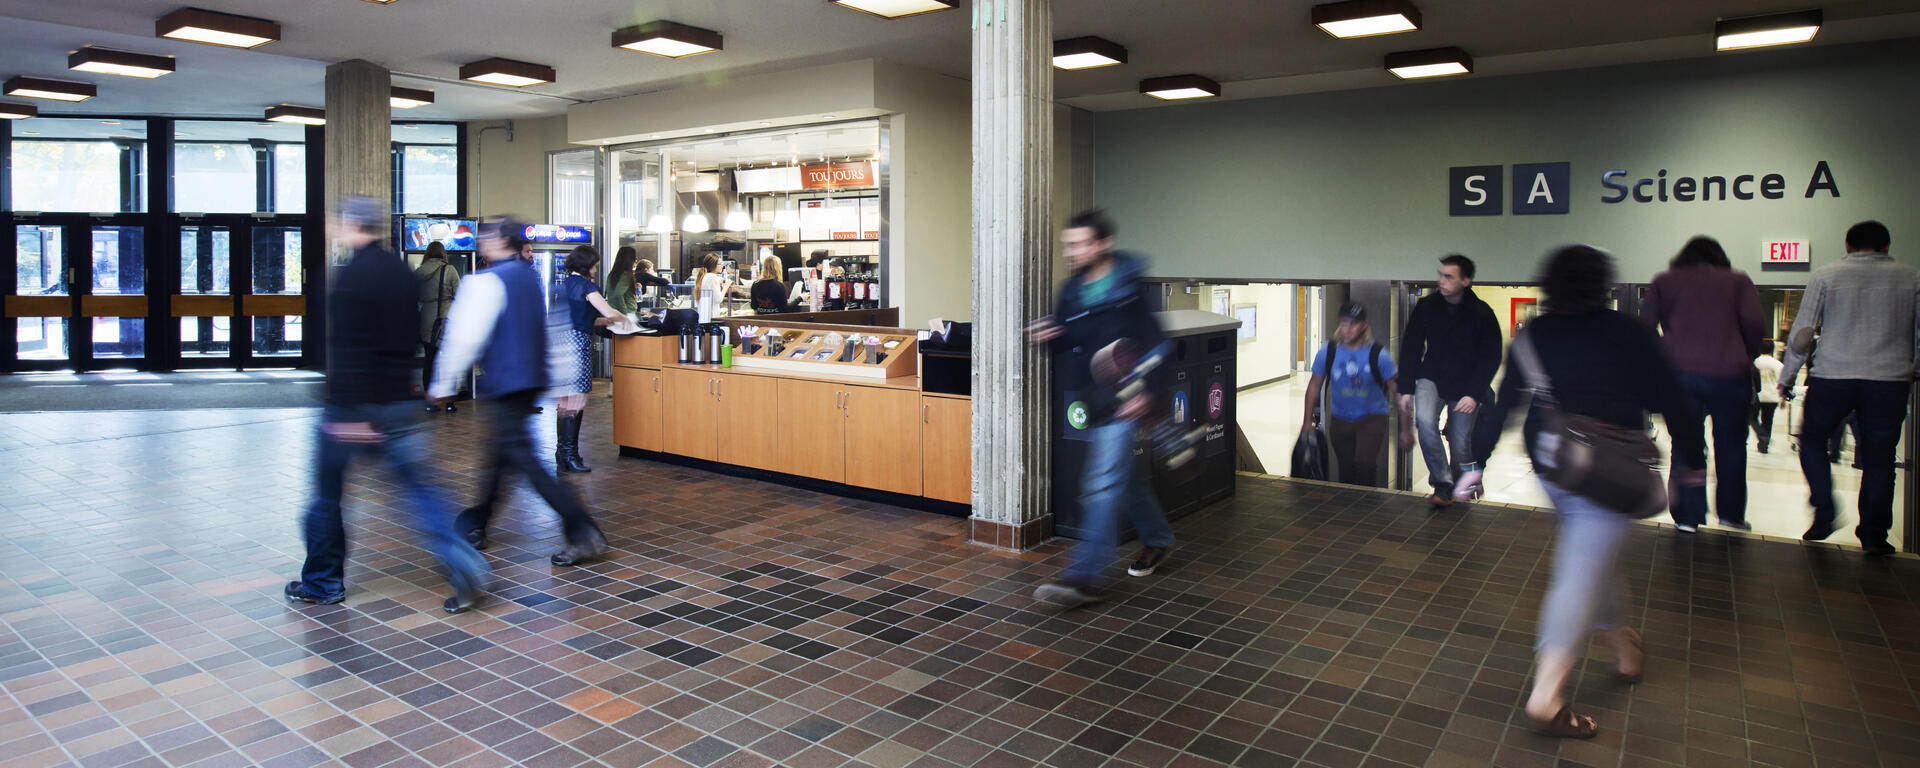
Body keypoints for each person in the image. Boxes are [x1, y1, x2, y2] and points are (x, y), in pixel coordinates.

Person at [1480, 245, 1705, 739]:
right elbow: (1671, 399)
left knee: (1591, 551)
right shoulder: (1630, 334)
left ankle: (1625, 649)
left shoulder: (1534, 333)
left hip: (1555, 465)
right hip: (1611, 470)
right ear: (1604, 283)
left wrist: (1477, 462)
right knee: (1579, 571)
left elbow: (1505, 401)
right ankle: (1546, 696)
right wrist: (1694, 461)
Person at [287, 196, 489, 614]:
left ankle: (322, 582)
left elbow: (348, 350)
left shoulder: (348, 277)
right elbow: (407, 337)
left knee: (325, 498)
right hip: (401, 403)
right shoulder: (400, 273)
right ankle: (461, 559)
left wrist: (352, 413)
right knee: (419, 491)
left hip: (355, 409)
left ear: (348, 224)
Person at [430, 217, 609, 567]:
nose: (481, 242)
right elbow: (550, 329)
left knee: (526, 462)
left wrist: (442, 383)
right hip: (530, 382)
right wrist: (563, 382)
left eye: (486, 237)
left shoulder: (484, 282)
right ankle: (476, 521)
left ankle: (582, 528)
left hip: (504, 382)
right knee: (501, 457)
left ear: (499, 242)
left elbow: (464, 336)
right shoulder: (530, 279)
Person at [1027, 210, 1175, 609]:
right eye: (1068, 245)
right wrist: (1051, 336)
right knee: (1124, 481)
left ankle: (1085, 577)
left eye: (1078, 244)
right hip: (1095, 401)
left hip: (1127, 401)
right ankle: (1158, 538)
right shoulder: (1072, 290)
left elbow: (1157, 344)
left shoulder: (1128, 290)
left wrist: (1149, 393)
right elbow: (1070, 340)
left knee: (1102, 483)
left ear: (1101, 244)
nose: (1071, 252)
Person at [1779, 221, 1919, 556]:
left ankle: (1824, 510)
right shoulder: (1912, 277)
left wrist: (1787, 377)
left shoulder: (1827, 275)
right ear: (1887, 246)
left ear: (1847, 245)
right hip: (1888, 380)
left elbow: (1803, 332)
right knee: (1879, 458)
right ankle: (1872, 535)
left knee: (1812, 440)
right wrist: (1913, 369)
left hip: (1833, 376)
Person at [1640, 236, 1765, 532]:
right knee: (1732, 445)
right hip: (1730, 376)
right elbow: (1755, 323)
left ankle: (1687, 516)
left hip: (1678, 375)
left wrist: (1665, 351)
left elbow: (1645, 324)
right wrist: (1746, 354)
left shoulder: (1664, 281)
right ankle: (1730, 515)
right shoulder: (1738, 281)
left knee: (1684, 444)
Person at [1396, 254, 1502, 506]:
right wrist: (1405, 389)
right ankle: (1442, 482)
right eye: (1440, 275)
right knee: (1424, 420)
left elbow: (1491, 357)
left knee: (1461, 441)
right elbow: (1411, 348)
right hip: (1431, 376)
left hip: (1466, 384)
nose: (1441, 281)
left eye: (1448, 276)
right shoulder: (1427, 307)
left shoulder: (1482, 313)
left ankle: (1461, 483)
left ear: (1466, 280)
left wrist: (1474, 394)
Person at [1301, 303, 1411, 487]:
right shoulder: (1328, 352)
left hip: (1372, 417)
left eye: (1353, 324)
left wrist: (1406, 429)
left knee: (1364, 466)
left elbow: (1399, 392)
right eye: (1344, 323)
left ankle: (1366, 509)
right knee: (1346, 469)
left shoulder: (1378, 355)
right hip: (1340, 419)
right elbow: (1314, 386)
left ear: (1364, 325)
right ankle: (1349, 510)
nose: (1347, 329)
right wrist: (1306, 421)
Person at [553, 245, 629, 473]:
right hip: (576, 345)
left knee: (565, 401)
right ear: (587, 265)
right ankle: (570, 454)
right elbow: (608, 311)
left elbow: (583, 317)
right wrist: (624, 318)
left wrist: (604, 322)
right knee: (576, 400)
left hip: (559, 344)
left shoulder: (564, 285)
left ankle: (563, 454)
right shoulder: (587, 286)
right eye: (594, 265)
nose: (596, 269)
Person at [415, 241, 461, 414]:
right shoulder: (449, 270)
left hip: (427, 320)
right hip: (445, 320)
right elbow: (459, 295)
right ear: (443, 253)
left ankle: (430, 402)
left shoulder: (419, 272)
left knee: (429, 363)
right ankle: (449, 403)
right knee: (449, 363)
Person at [1752, 343, 1784, 454]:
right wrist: (1783, 397)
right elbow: (1782, 381)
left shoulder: (1755, 362)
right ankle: (1764, 445)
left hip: (1757, 395)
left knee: (1752, 418)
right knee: (1768, 421)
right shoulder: (1777, 364)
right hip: (1772, 395)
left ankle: (1762, 435)